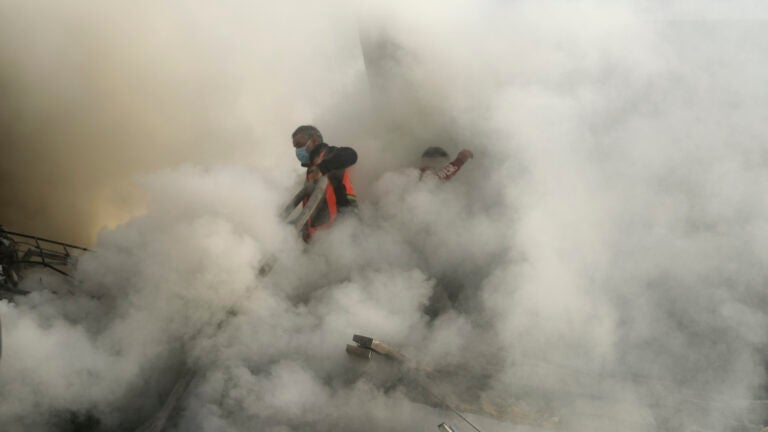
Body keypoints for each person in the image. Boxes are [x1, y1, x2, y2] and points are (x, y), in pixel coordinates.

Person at [291, 125, 358, 241]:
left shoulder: (330, 154)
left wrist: (322, 168)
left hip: (343, 234)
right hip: (322, 238)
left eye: (299, 145)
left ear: (314, 140)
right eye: (295, 147)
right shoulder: (312, 168)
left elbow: (351, 155)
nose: (298, 151)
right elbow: (313, 208)